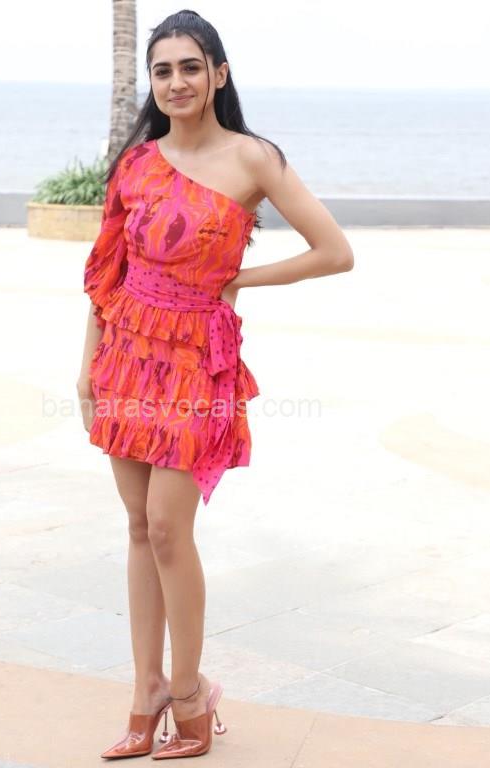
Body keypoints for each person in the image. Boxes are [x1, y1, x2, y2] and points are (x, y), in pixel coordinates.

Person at [77, 9, 354, 760]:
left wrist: (238, 280)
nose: (176, 82)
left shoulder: (252, 158)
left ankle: (191, 694)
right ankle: (145, 692)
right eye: (162, 70)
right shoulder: (136, 164)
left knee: (169, 528)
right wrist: (87, 366)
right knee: (138, 528)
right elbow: (106, 273)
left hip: (197, 359)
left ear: (218, 74)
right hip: (126, 353)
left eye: (190, 67)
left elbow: (333, 251)